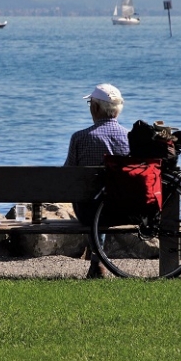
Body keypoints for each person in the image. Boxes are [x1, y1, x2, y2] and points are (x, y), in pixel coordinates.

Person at [64, 83, 129, 278]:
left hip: (88, 211)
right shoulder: (129, 137)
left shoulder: (80, 138)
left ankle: (97, 261)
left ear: (95, 108)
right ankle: (96, 261)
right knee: (106, 198)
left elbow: (66, 176)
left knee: (93, 202)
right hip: (123, 209)